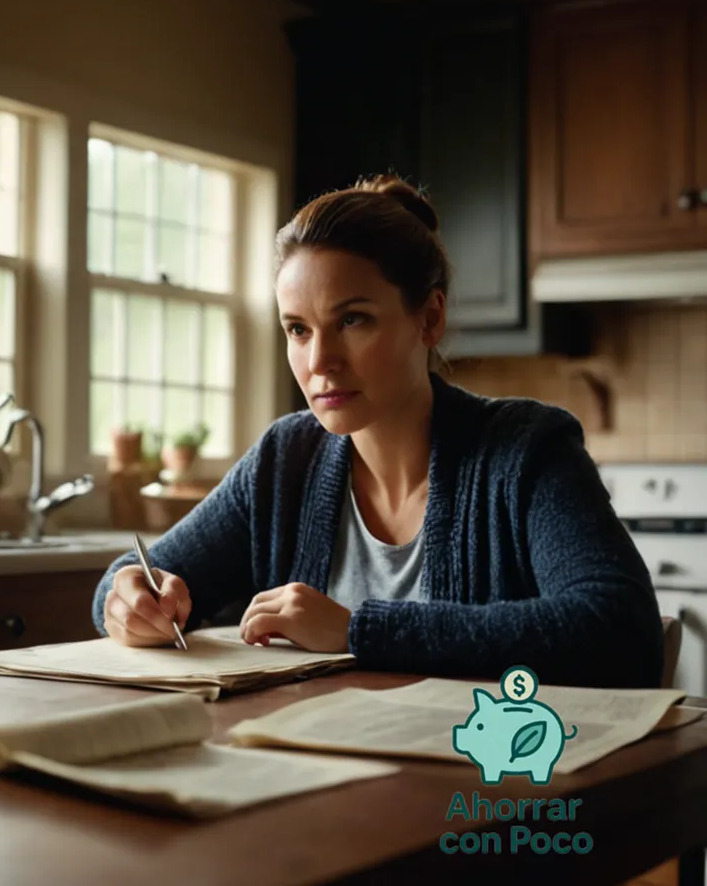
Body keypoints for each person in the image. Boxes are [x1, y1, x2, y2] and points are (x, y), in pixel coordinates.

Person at [91, 173, 664, 691]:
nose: (320, 361)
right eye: (297, 328)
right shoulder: (283, 460)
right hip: (311, 773)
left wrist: (359, 631)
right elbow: (128, 578)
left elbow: (620, 628)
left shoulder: (526, 450)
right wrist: (130, 602)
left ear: (429, 317)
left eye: (352, 320)